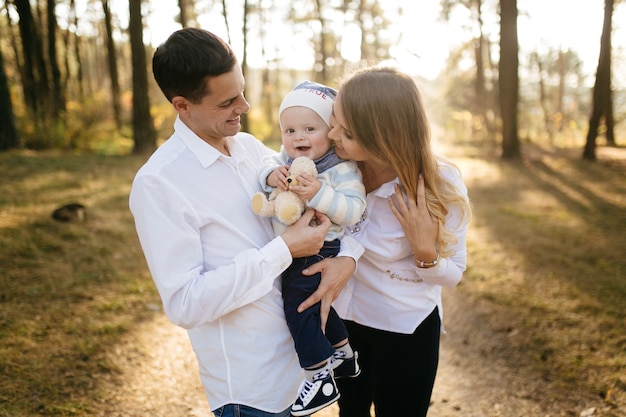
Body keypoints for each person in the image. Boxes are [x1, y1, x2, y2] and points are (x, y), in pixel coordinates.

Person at [128, 27, 360, 417]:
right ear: (182, 105)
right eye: (227, 102)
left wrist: (346, 259)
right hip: (252, 391)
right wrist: (284, 251)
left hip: (300, 372)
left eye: (242, 91)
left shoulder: (252, 149)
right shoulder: (159, 183)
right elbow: (186, 303)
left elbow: (327, 209)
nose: (246, 106)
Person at [328, 66, 472, 417]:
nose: (332, 134)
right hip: (346, 323)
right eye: (333, 120)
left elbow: (454, 274)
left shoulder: (441, 185)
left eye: (346, 132)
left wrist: (425, 253)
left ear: (382, 136)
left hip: (405, 329)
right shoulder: (336, 170)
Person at [254, 81, 366, 416]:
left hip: (321, 248)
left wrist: (317, 193)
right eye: (289, 130)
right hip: (293, 249)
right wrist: (271, 174)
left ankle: (320, 375)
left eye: (309, 128)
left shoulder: (340, 169)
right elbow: (264, 162)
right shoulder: (285, 159)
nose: (298, 137)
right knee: (318, 306)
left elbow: (354, 210)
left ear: (329, 131)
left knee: (299, 307)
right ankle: (343, 354)